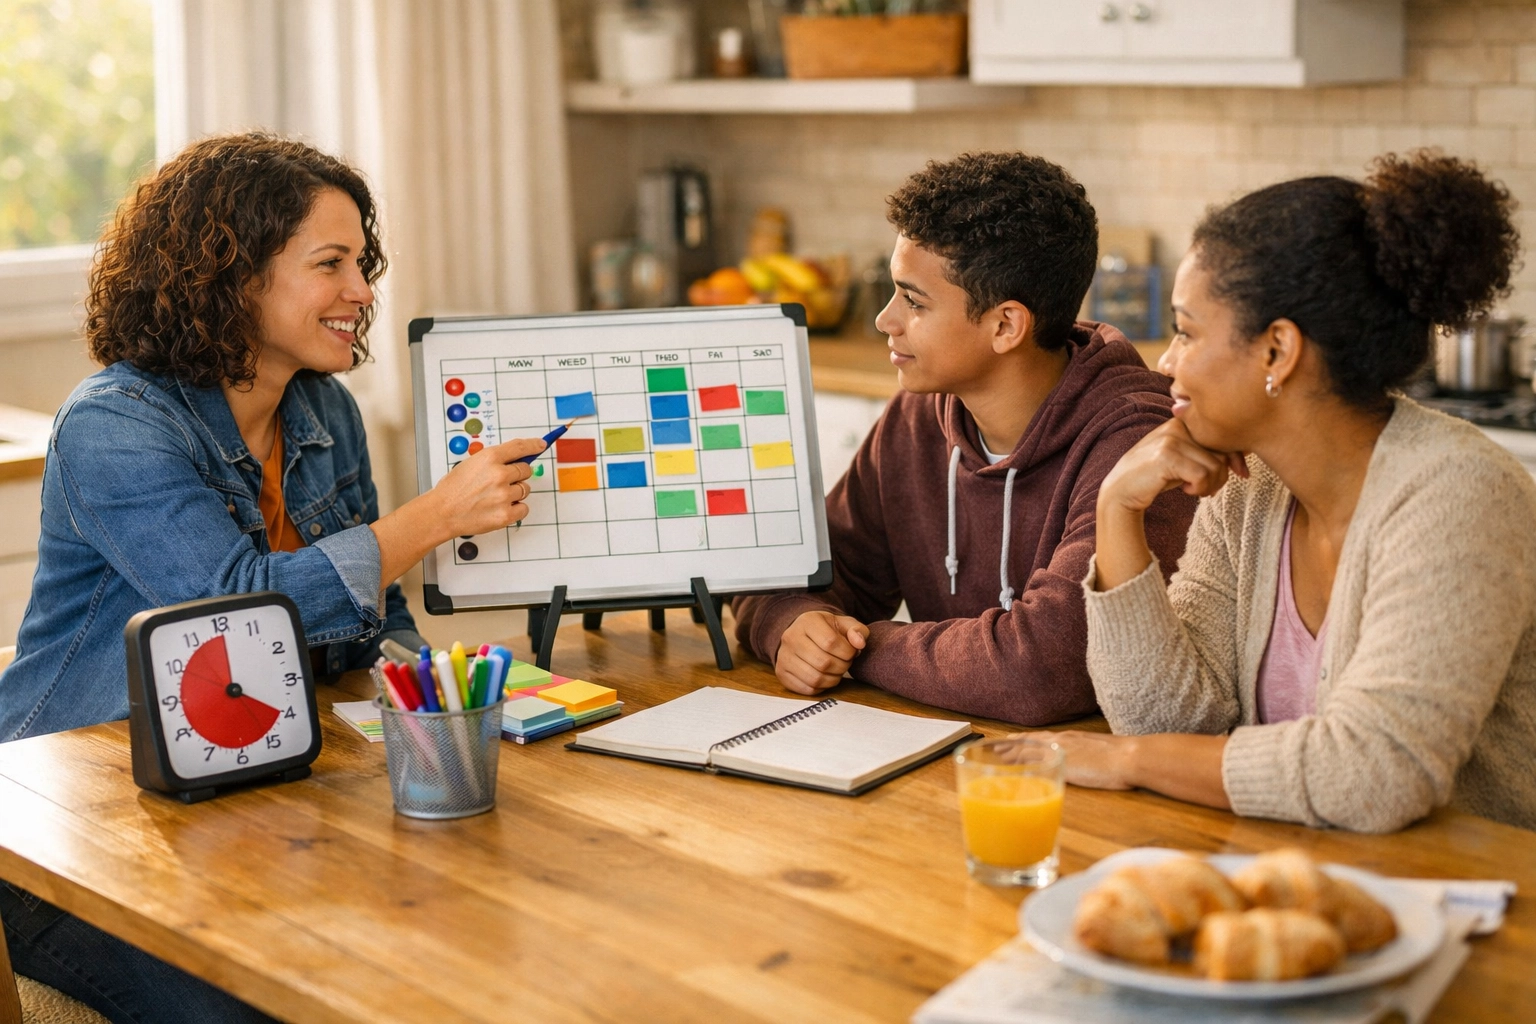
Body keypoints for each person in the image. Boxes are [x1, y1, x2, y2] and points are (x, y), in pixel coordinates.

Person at [0, 133, 544, 1021]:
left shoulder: (326, 410)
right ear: (233, 277)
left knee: (458, 944)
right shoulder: (113, 426)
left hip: (245, 796)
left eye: (362, 264)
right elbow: (234, 608)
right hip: (66, 834)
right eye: (331, 264)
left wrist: (436, 701)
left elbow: (376, 622)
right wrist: (435, 516)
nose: (363, 290)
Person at [1038, 151, 1536, 834]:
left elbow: (1376, 774)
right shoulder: (1251, 491)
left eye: (1186, 331)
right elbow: (1169, 720)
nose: (1167, 361)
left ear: (1277, 350)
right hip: (1295, 871)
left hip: (1467, 888)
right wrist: (1116, 509)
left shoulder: (1460, 494)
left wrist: (1129, 762)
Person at [732, 152, 1197, 725]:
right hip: (950, 750)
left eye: (913, 301)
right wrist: (791, 625)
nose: (884, 320)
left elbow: (1042, 671)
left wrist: (857, 646)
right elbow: (794, 571)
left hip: (1085, 768)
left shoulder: (1137, 442)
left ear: (1006, 325)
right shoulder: (918, 414)